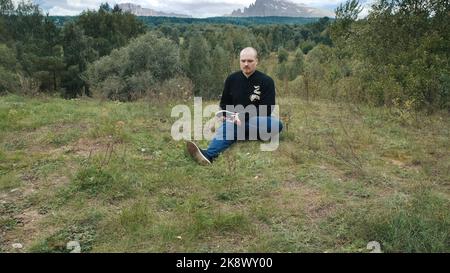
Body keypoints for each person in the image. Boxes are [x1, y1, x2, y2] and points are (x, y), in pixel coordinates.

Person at [187, 47, 283, 165]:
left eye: (250, 61)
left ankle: (240, 133)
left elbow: (267, 109)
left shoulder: (266, 81)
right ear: (239, 61)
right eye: (243, 61)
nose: (246, 64)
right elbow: (224, 103)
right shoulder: (232, 79)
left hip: (257, 122)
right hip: (235, 121)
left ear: (257, 61)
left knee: (277, 124)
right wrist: (224, 114)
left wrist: (242, 116)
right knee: (230, 124)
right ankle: (208, 155)